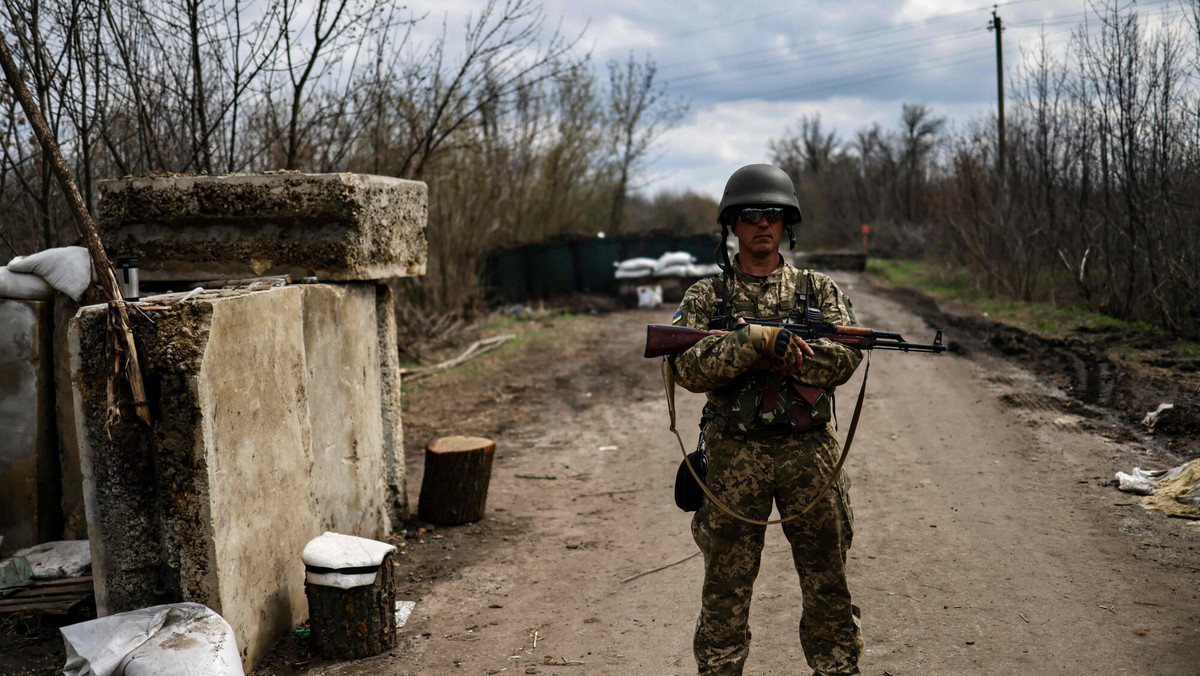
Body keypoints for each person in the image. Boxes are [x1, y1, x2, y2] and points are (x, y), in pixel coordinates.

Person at [669, 164, 864, 676]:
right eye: (751, 215)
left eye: (773, 215)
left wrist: (783, 352)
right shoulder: (707, 297)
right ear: (733, 224)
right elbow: (687, 368)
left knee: (828, 581)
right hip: (734, 453)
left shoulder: (817, 291)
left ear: (787, 224)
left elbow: (843, 359)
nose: (763, 224)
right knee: (725, 588)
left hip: (809, 452)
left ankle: (837, 668)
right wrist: (749, 341)